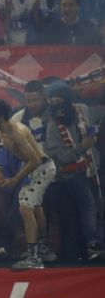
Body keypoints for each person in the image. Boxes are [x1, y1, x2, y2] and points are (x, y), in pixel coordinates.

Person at [0, 98, 56, 269]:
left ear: (0, 118)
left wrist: (15, 180)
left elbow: (35, 160)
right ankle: (42, 248)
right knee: (35, 206)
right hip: (34, 167)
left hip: (42, 167)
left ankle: (34, 257)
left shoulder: (16, 131)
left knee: (25, 206)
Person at [43, 80, 105, 261]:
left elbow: (99, 115)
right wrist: (81, 147)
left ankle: (97, 245)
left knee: (99, 207)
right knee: (88, 206)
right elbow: (58, 157)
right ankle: (93, 245)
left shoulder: (82, 110)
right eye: (53, 102)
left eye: (59, 101)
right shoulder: (52, 126)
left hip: (94, 168)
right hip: (71, 174)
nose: (57, 106)